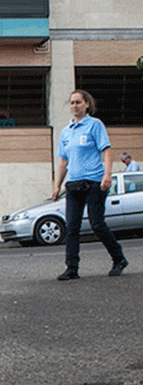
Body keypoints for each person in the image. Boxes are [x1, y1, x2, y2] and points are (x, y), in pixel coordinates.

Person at [52, 89, 128, 281]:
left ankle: (119, 259)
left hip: (94, 182)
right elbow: (62, 161)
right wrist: (56, 185)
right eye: (72, 103)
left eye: (78, 102)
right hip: (73, 184)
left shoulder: (95, 125)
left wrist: (107, 175)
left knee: (97, 224)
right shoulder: (66, 132)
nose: (75, 106)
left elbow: (106, 150)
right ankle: (72, 268)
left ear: (86, 104)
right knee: (71, 228)